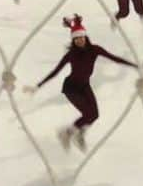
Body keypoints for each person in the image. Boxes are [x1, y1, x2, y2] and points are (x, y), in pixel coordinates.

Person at [24, 15, 137, 149]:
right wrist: (37, 87)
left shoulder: (95, 50)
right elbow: (55, 72)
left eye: (81, 37)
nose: (79, 41)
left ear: (85, 37)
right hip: (71, 89)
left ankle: (78, 134)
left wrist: (136, 65)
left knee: (94, 115)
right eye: (76, 39)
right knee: (88, 114)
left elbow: (115, 59)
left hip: (84, 86)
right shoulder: (71, 54)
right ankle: (66, 133)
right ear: (73, 40)